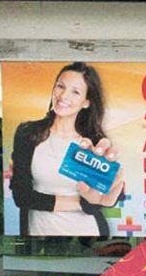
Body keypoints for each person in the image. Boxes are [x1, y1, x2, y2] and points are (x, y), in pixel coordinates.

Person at [9, 61, 124, 237]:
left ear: (86, 102)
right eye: (60, 86)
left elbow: (97, 202)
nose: (63, 96)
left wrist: (95, 200)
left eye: (75, 92)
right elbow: (22, 196)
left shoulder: (92, 144)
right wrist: (80, 203)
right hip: (38, 236)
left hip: (88, 236)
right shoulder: (28, 134)